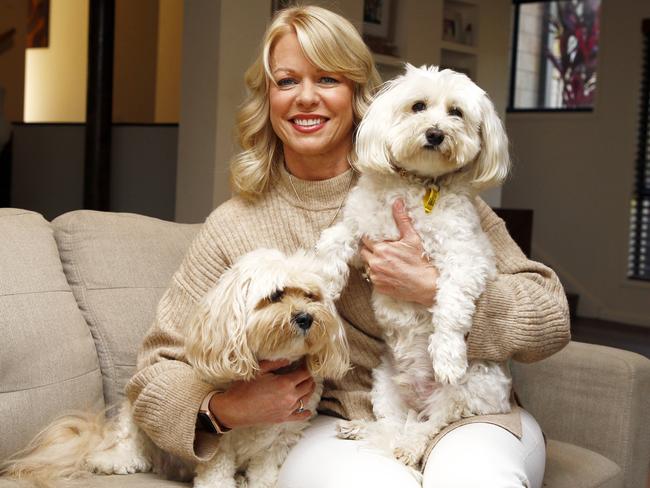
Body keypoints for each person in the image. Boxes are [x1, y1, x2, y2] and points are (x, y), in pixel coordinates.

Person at [126, 6, 570, 487]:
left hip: (465, 413)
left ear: (359, 95)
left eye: (328, 79)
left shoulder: (429, 187)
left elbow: (551, 318)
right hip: (340, 429)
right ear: (268, 98)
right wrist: (224, 409)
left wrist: (433, 288)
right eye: (287, 81)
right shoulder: (233, 226)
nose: (307, 98)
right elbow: (156, 372)